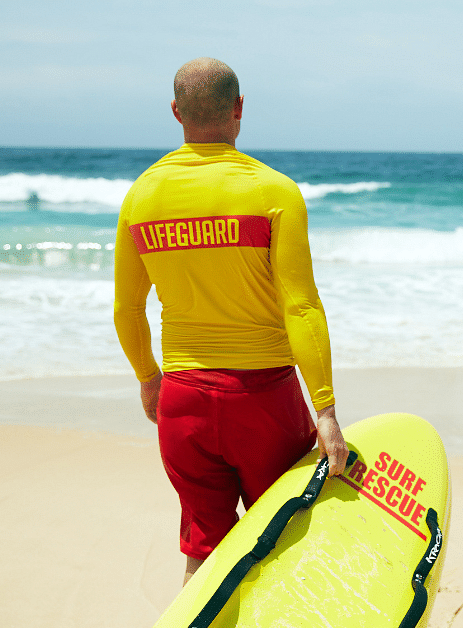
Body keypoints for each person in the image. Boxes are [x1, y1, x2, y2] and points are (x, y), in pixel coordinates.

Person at [113, 57, 348, 585]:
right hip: (263, 402)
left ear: (176, 112)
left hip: (184, 403)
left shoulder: (142, 197)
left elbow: (127, 310)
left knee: (204, 551)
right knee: (284, 541)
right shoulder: (273, 193)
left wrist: (149, 378)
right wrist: (326, 410)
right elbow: (301, 305)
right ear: (240, 108)